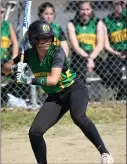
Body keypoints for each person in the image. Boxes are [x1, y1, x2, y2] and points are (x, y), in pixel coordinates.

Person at [2, 20, 114, 164]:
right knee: (35, 132)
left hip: (74, 89)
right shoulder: (28, 55)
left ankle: (105, 153)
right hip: (55, 97)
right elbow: (4, 69)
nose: (48, 40)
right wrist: (14, 68)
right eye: (43, 38)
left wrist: (28, 79)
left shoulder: (57, 51)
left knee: (78, 116)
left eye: (49, 37)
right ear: (34, 40)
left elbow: (54, 79)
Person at [67, 1, 104, 84]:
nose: (85, 12)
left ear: (92, 10)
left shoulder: (97, 22)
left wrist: (91, 58)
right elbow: (75, 47)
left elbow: (100, 44)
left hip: (94, 54)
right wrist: (87, 58)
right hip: (79, 55)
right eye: (82, 9)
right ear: (78, 10)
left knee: (108, 74)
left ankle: (121, 93)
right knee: (80, 77)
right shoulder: (72, 23)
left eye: (88, 9)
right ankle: (82, 94)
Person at [101, 0, 127, 100]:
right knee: (113, 72)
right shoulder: (106, 20)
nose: (119, 6)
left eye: (121, 3)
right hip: (115, 52)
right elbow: (106, 45)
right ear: (111, 5)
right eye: (116, 3)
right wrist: (118, 53)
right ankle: (123, 91)